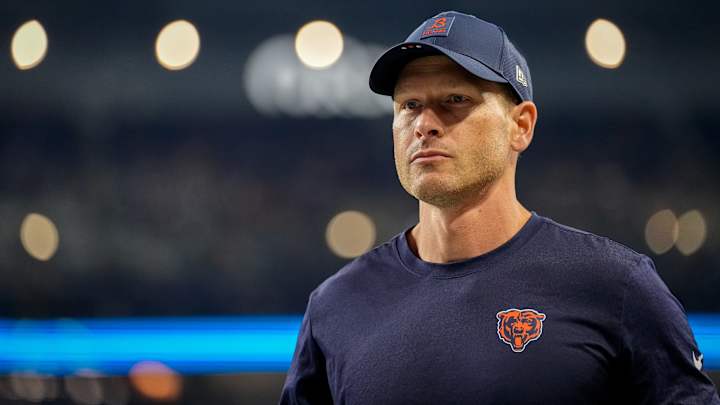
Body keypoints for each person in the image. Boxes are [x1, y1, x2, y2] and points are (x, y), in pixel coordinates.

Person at [279, 10, 720, 404]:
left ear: (521, 125)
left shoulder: (616, 288)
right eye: (409, 105)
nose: (425, 124)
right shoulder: (336, 306)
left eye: (456, 100)